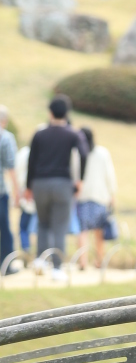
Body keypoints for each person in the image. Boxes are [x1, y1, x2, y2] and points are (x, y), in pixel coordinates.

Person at [25, 96, 86, 280]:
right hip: (62, 184)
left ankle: (40, 261)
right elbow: (83, 154)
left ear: (50, 112)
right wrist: (80, 179)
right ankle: (57, 269)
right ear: (67, 113)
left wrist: (28, 186)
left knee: (43, 223)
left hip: (40, 183)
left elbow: (31, 161)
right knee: (59, 227)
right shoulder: (73, 134)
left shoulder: (39, 134)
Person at [75, 128, 117, 269]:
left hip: (83, 196)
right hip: (101, 196)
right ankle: (99, 261)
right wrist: (112, 194)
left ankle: (83, 261)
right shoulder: (102, 153)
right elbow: (109, 175)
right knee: (99, 231)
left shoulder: (77, 153)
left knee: (83, 231)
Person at [0, 106, 18, 267]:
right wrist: (17, 191)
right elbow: (11, 166)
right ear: (4, 121)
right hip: (0, 191)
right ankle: (6, 265)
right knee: (4, 228)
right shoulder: (5, 138)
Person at [14, 143, 37, 253]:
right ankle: (39, 253)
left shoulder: (23, 153)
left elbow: (17, 173)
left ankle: (26, 249)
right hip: (38, 194)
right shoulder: (44, 152)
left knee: (24, 226)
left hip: (26, 194)